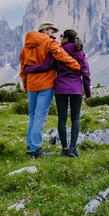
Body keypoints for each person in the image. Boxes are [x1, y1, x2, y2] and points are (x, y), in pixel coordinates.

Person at [20, 21, 81, 159]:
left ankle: (30, 146)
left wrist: (25, 86)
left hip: (31, 85)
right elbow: (62, 56)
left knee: (32, 116)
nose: (53, 35)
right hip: (45, 85)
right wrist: (77, 66)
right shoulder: (50, 43)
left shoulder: (25, 48)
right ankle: (36, 150)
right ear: (45, 30)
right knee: (40, 116)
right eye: (52, 32)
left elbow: (23, 70)